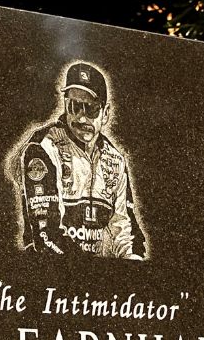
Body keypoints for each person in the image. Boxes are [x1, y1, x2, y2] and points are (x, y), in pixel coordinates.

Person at [10, 60, 147, 260]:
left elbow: (125, 231)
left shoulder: (115, 159)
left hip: (94, 276)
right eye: (75, 107)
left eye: (90, 109)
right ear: (66, 105)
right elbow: (46, 236)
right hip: (47, 270)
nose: (81, 119)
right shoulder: (42, 148)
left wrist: (134, 266)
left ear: (106, 113)